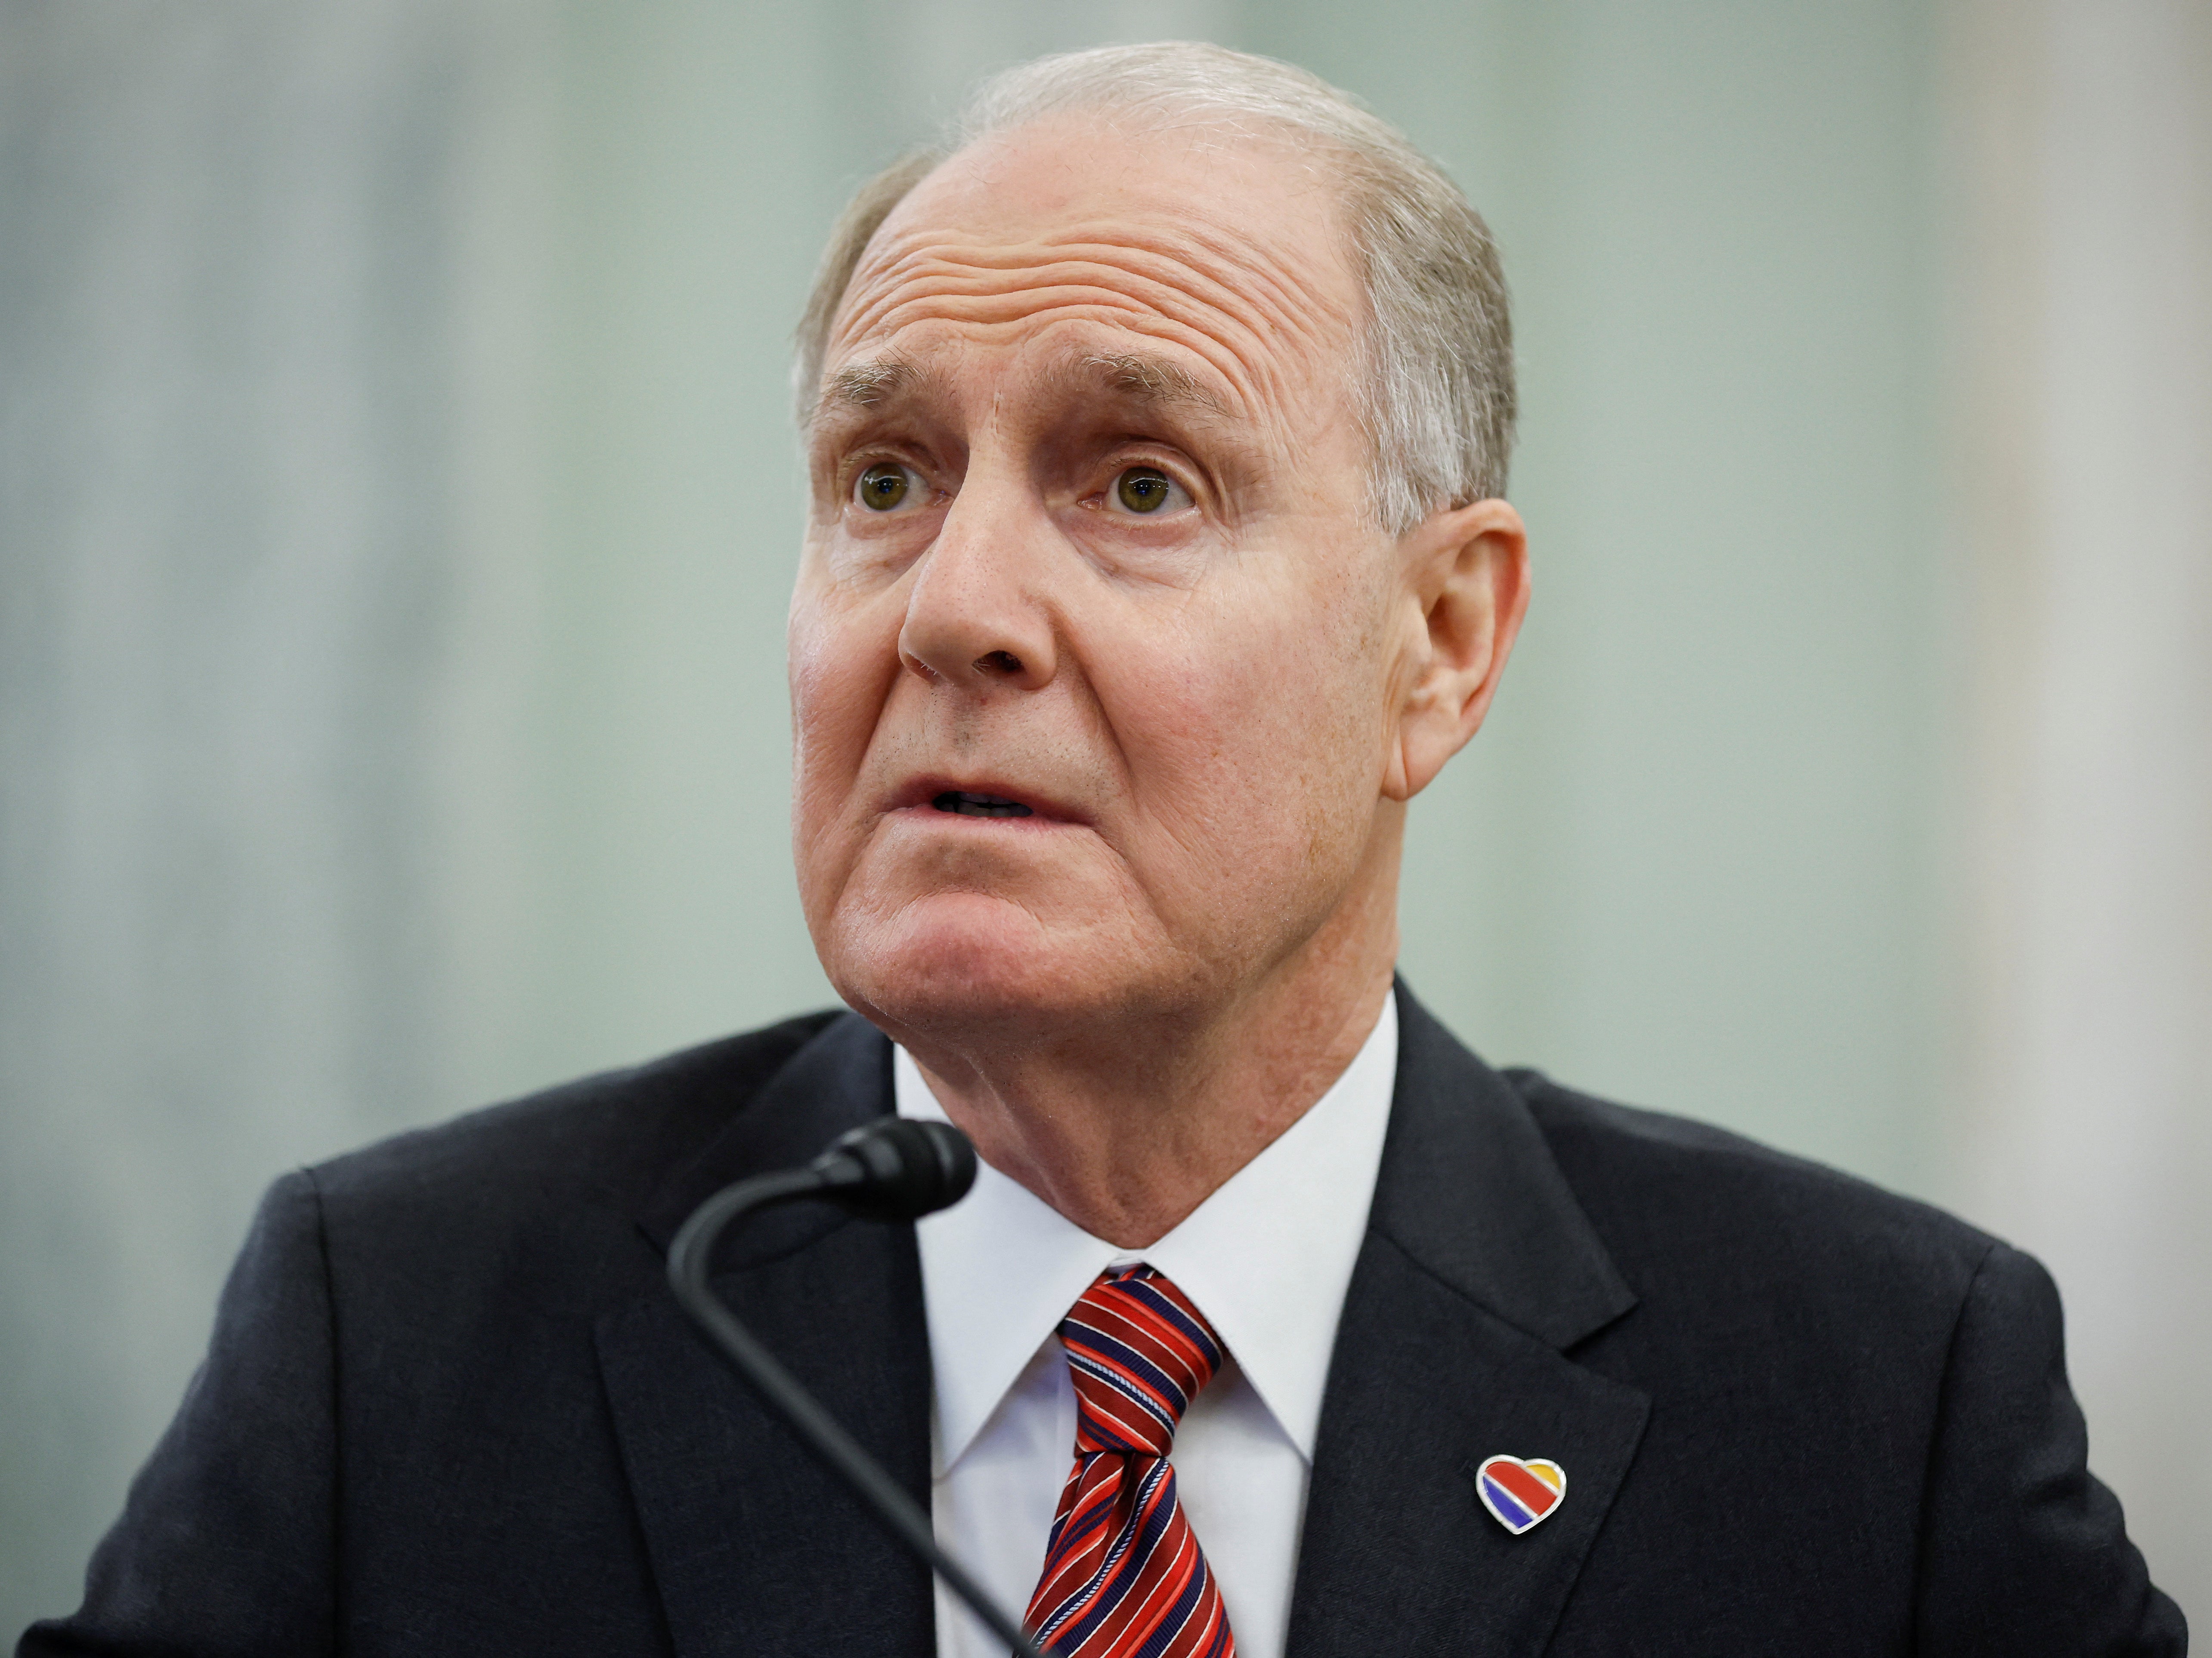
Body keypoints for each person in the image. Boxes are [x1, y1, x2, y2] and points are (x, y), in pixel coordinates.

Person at [22, 41, 2184, 1658]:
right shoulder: (398, 1336)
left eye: (1137, 483)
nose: (953, 606)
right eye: (881, 478)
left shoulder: (1865, 1402)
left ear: (1438, 645)